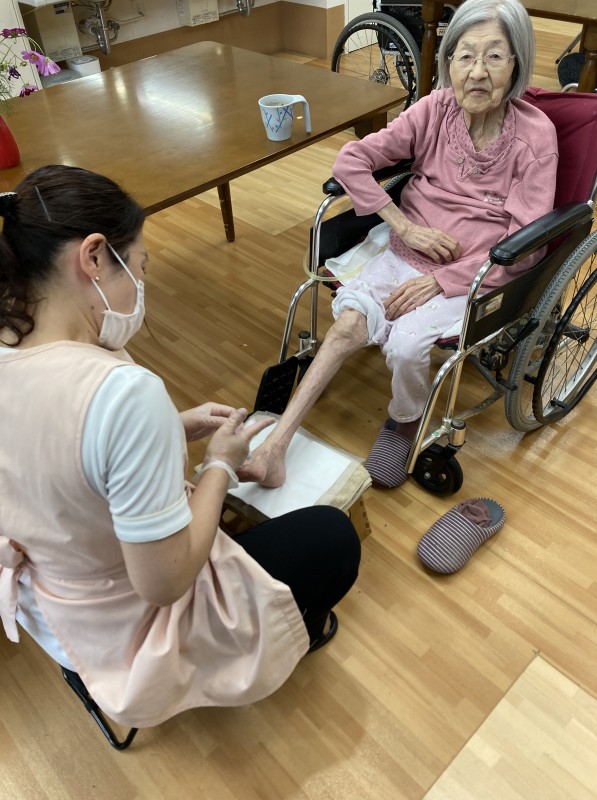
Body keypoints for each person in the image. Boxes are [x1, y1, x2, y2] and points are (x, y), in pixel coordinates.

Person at [0, 165, 361, 729]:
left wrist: (170, 428)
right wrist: (219, 464)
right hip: (127, 631)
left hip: (48, 608)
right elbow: (165, 583)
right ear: (93, 257)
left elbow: (55, 455)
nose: (140, 286)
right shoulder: (121, 393)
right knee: (331, 539)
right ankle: (274, 643)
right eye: (139, 267)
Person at [239, 0, 558, 490]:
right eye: (465, 56)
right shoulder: (432, 109)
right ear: (448, 61)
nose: (477, 72)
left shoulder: (535, 138)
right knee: (347, 325)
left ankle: (405, 422)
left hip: (476, 273)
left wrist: (442, 280)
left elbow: (527, 245)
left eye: (495, 56)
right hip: (403, 251)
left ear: (516, 64)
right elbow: (351, 162)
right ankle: (274, 446)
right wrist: (404, 227)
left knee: (408, 345)